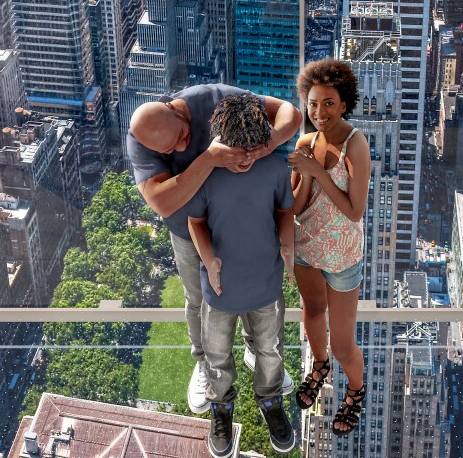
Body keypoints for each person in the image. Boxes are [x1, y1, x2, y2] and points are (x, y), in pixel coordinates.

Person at [126, 84, 300, 413]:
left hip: (243, 216)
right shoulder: (140, 139)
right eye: (172, 149)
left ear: (176, 110)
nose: (183, 145)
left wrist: (264, 146)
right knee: (199, 299)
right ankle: (205, 364)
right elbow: (161, 202)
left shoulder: (213, 98)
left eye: (183, 135)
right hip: (188, 228)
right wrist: (209, 159)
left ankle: (257, 351)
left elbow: (291, 114)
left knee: (258, 288)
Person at [185, 94, 296, 457]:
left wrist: (288, 244)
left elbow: (284, 211)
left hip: (266, 283)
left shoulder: (276, 169)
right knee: (217, 357)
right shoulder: (206, 176)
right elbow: (195, 222)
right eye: (238, 150)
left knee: (270, 351)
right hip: (219, 289)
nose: (247, 157)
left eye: (254, 148)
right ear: (219, 142)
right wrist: (209, 259)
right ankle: (221, 410)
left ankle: (271, 403)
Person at [287, 59, 370, 436]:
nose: (319, 112)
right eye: (313, 103)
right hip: (307, 247)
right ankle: (318, 368)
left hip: (342, 254)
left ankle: (355, 389)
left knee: (342, 343)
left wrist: (319, 172)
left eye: (329, 103)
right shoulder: (305, 142)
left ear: (345, 103)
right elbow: (298, 205)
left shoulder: (356, 144)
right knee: (311, 314)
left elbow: (355, 211)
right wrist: (305, 174)